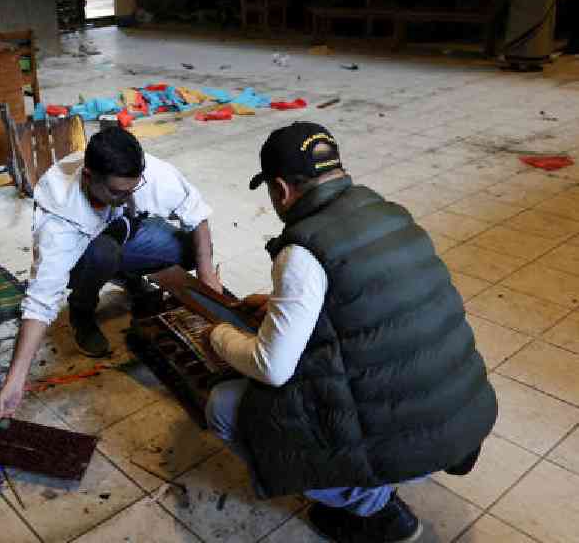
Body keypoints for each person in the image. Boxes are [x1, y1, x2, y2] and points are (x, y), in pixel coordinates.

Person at [204, 122, 497, 543]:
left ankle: (371, 509)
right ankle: (377, 485)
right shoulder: (389, 213)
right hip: (462, 420)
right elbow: (363, 303)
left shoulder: (303, 250)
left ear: (281, 190)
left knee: (225, 406)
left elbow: (272, 367)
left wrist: (217, 336)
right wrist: (277, 304)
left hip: (411, 442)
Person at [0, 127, 220, 419]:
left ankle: (128, 274)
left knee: (190, 250)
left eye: (132, 191)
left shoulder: (144, 172)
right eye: (116, 192)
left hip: (126, 233)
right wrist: (15, 380)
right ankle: (82, 310)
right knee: (102, 254)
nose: (126, 198)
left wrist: (206, 274)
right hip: (86, 252)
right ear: (88, 177)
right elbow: (39, 303)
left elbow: (196, 214)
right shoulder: (58, 221)